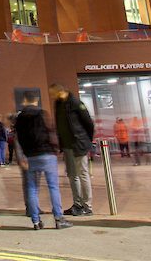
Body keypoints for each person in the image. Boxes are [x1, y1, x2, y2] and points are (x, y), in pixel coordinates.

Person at [17, 90, 72, 230]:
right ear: (36, 100)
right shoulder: (43, 113)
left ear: (25, 100)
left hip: (30, 156)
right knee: (53, 187)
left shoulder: (20, 117)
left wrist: (24, 154)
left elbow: (20, 138)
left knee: (32, 188)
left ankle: (36, 221)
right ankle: (59, 218)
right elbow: (51, 132)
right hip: (46, 154)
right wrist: (55, 148)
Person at [49, 83, 94, 216]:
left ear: (59, 92)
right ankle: (77, 203)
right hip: (67, 146)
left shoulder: (75, 103)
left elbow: (89, 123)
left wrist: (86, 141)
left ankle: (87, 205)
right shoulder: (58, 104)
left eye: (52, 93)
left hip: (78, 145)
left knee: (83, 174)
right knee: (72, 175)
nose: (51, 96)